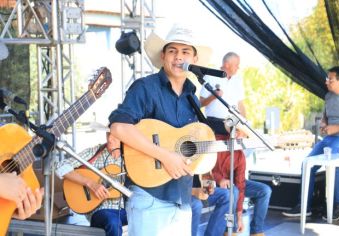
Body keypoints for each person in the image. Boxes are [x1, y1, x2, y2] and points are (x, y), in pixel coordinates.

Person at [108, 24, 212, 236]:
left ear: (194, 59)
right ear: (163, 55)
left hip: (182, 198)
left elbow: (190, 145)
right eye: (172, 51)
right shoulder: (145, 87)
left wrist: (204, 177)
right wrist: (164, 156)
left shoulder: (192, 98)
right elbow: (119, 127)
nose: (178, 57)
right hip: (149, 197)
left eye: (185, 52)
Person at [200, 52, 271, 236]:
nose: (238, 68)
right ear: (227, 64)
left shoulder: (237, 81)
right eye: (236, 65)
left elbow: (241, 104)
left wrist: (243, 126)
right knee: (230, 190)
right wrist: (214, 96)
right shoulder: (211, 75)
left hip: (232, 122)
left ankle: (256, 231)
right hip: (214, 123)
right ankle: (225, 230)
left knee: (260, 190)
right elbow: (200, 102)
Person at [282, 66, 339, 221]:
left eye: (330, 79)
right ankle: (304, 207)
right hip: (330, 139)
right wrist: (324, 124)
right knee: (307, 163)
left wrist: (336, 128)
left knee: (331, 163)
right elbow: (326, 117)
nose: (326, 81)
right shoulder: (328, 96)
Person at [55, 131, 127, 236]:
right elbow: (59, 166)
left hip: (126, 209)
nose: (109, 139)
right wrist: (90, 183)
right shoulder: (96, 151)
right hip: (101, 210)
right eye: (108, 134)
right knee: (113, 223)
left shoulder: (130, 158)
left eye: (115, 136)